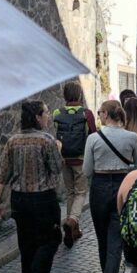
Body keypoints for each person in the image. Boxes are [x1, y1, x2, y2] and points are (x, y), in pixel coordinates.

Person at [0, 100, 64, 273]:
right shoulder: (47, 141)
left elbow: (3, 173)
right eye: (46, 113)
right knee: (52, 237)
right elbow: (57, 168)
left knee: (26, 243)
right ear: (37, 117)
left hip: (19, 200)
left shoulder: (12, 141)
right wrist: (58, 148)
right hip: (43, 199)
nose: (48, 116)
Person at [82, 102, 137, 273]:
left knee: (103, 240)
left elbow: (87, 170)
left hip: (99, 188)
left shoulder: (93, 138)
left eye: (99, 112)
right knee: (116, 239)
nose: (98, 115)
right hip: (123, 186)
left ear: (106, 114)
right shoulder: (132, 137)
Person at [52, 81, 96, 248]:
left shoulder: (57, 112)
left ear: (64, 95)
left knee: (70, 192)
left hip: (64, 159)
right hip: (81, 159)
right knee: (81, 192)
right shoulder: (86, 114)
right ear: (79, 95)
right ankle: (72, 221)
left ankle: (74, 229)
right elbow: (93, 136)